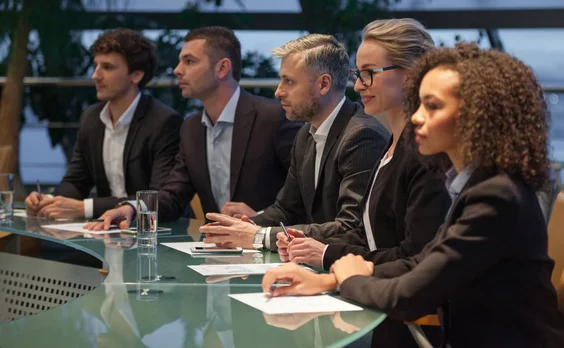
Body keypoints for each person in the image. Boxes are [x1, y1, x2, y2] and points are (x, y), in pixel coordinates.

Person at [262, 43, 564, 347]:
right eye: (419, 104)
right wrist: (328, 279)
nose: (417, 117)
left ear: (477, 115)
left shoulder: (497, 197)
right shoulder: (479, 183)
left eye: (432, 106)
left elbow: (408, 296)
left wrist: (349, 279)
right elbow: (423, 263)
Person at [275, 19, 450, 271]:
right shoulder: (394, 145)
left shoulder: (426, 155)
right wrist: (317, 247)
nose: (358, 85)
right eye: (357, 74)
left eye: (368, 73)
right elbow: (369, 235)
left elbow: (415, 256)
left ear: (411, 74)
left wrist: (327, 257)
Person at [87, 26, 301, 231]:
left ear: (222, 68)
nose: (177, 70)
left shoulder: (271, 117)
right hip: (218, 251)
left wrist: (260, 218)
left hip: (275, 248)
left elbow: (305, 193)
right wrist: (132, 208)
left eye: (189, 61)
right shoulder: (191, 128)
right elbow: (173, 196)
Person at [199, 34, 390, 250]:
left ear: (324, 84)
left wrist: (260, 236)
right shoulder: (305, 134)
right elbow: (286, 209)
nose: (279, 91)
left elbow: (349, 227)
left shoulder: (362, 135)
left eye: (289, 81)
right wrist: (239, 229)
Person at [25, 29, 182, 219]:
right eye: (96, 65)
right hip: (107, 231)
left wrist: (86, 208)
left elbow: (158, 198)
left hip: (155, 233)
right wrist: (50, 201)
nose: (95, 75)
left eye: (107, 67)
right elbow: (76, 182)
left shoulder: (163, 121)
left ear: (136, 75)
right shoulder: (91, 117)